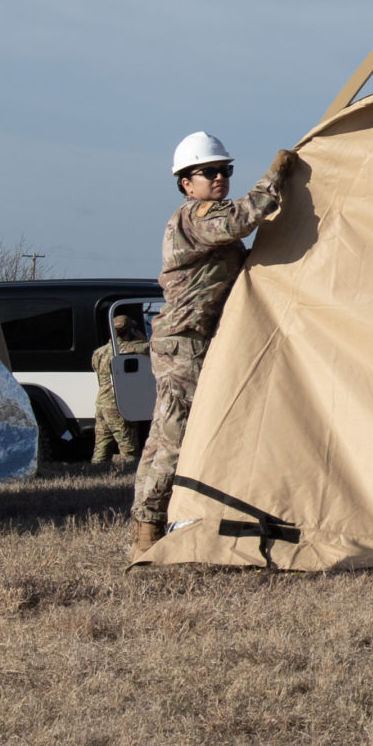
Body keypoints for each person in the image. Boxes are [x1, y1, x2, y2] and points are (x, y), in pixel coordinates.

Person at [129, 131, 296, 549]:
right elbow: (244, 216)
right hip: (184, 340)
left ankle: (148, 522)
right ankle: (148, 528)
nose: (219, 178)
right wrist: (276, 176)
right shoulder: (199, 216)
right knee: (176, 434)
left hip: (186, 339)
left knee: (164, 435)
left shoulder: (203, 220)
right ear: (186, 182)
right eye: (209, 172)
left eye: (225, 171)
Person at [91, 304, 150, 465]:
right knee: (129, 448)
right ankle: (129, 476)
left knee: (101, 447)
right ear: (129, 331)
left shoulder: (99, 352)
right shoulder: (129, 348)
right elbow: (152, 349)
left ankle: (97, 475)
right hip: (118, 403)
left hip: (101, 403)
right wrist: (143, 339)